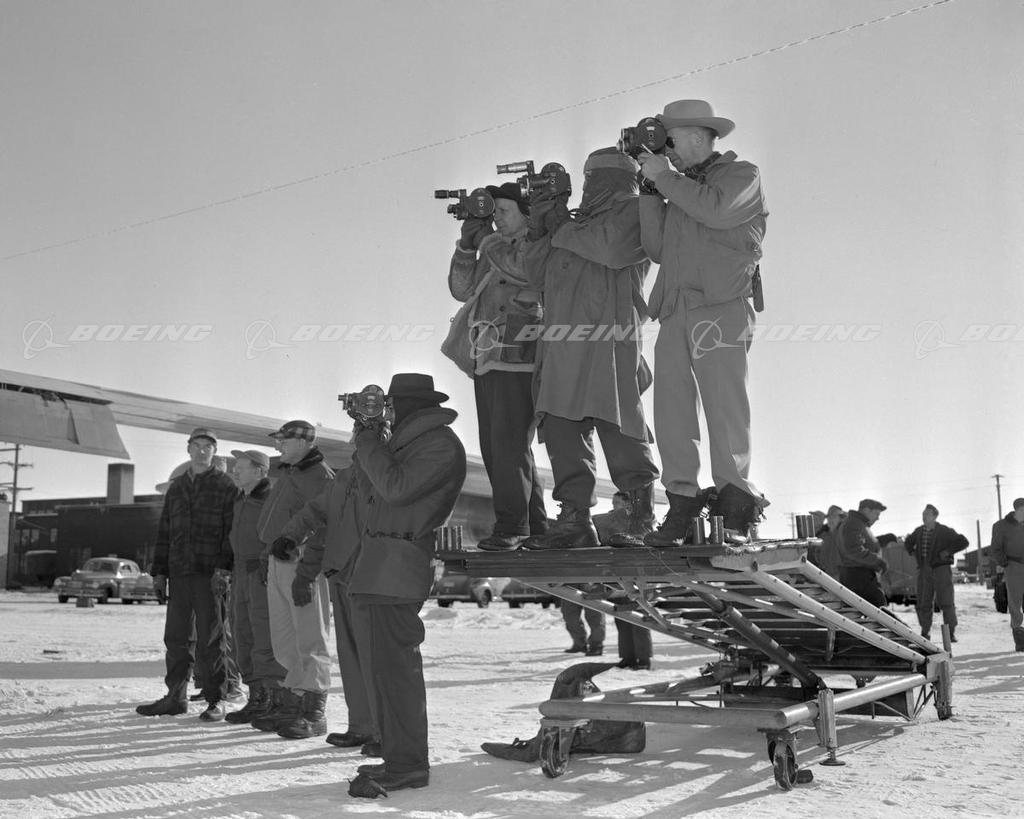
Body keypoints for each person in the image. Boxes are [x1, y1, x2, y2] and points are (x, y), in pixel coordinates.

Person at [636, 99, 769, 545]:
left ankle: (736, 508)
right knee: (671, 413)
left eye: (669, 139)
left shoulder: (741, 175)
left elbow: (716, 211)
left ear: (696, 135)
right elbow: (657, 249)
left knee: (724, 409)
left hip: (721, 306)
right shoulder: (678, 186)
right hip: (676, 308)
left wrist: (665, 178)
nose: (665, 148)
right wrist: (650, 193)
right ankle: (682, 504)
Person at [521, 147, 660, 550]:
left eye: (595, 178)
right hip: (562, 344)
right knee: (562, 431)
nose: (590, 186)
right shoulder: (572, 222)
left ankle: (640, 516)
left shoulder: (636, 211)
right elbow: (535, 275)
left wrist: (559, 223)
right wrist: (537, 229)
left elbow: (611, 249)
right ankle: (574, 521)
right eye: (587, 178)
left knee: (620, 427)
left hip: (608, 342)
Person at [345, 373, 466, 799]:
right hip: (382, 567)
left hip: (397, 568)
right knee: (384, 673)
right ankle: (399, 756)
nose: (386, 413)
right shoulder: (410, 443)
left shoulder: (439, 444)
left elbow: (395, 489)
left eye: (390, 406)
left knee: (398, 675)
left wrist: (370, 439)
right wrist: (369, 438)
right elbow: (373, 491)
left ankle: (409, 765)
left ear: (410, 406)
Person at [447, 182, 547, 551]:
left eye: (504, 211)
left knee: (509, 447)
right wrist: (465, 246)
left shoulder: (534, 242)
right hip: (488, 356)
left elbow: (524, 271)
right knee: (497, 448)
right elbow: (461, 289)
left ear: (526, 215)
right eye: (495, 212)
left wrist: (485, 240)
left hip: (517, 355)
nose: (497, 219)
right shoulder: (495, 247)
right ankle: (534, 526)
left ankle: (513, 526)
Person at [275, 462, 380, 755]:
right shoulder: (344, 477)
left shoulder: (385, 472)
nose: (358, 439)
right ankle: (361, 726)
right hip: (343, 575)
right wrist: (291, 534)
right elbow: (317, 513)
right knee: (351, 657)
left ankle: (385, 733)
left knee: (375, 658)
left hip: (373, 577)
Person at [136, 428, 240, 721]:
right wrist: (159, 572)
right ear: (188, 449)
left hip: (210, 575)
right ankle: (175, 696)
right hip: (179, 573)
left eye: (208, 446)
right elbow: (165, 532)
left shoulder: (225, 486)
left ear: (214, 451)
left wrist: (224, 570)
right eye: (197, 445)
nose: (202, 451)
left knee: (212, 639)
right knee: (177, 638)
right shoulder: (178, 488)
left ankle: (216, 699)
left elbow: (231, 533)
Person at [254, 420, 335, 739]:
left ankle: (314, 711)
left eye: (283, 441)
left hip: (301, 562)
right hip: (279, 560)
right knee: (285, 638)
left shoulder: (319, 476)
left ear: (303, 443)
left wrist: (307, 572)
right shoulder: (290, 473)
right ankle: (294, 701)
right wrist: (267, 555)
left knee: (311, 637)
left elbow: (325, 524)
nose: (278, 446)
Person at [223, 449, 287, 725]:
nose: (234, 472)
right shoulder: (240, 499)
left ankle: (275, 699)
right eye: (235, 467)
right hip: (240, 572)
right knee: (242, 633)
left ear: (260, 471)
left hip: (260, 572)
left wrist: (265, 563)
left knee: (264, 634)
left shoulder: (270, 499)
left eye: (241, 467)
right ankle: (256, 697)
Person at [904, 504, 968, 641]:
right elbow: (908, 542)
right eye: (923, 514)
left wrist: (948, 551)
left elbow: (963, 541)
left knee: (946, 602)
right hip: (924, 570)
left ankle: (950, 633)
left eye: (927, 514)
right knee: (923, 602)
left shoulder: (944, 531)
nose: (924, 516)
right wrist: (913, 552)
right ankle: (925, 632)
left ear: (934, 516)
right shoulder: (919, 531)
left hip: (941, 569)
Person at [837, 499, 890, 608]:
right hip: (858, 578)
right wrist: (878, 561)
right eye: (876, 514)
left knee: (870, 612)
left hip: (861, 577)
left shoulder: (860, 524)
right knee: (878, 612)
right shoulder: (853, 524)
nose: (878, 518)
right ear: (866, 510)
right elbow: (853, 549)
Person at [990, 497, 1024, 652]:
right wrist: (1005, 563)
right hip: (1013, 566)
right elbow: (995, 549)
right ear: (1016, 510)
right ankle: (1020, 639)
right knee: (1015, 602)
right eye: (1022, 509)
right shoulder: (1001, 526)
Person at [810, 505, 845, 579]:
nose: (831, 519)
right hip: (826, 576)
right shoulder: (823, 536)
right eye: (829, 517)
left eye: (834, 517)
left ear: (840, 519)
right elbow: (815, 554)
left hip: (841, 577)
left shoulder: (845, 534)